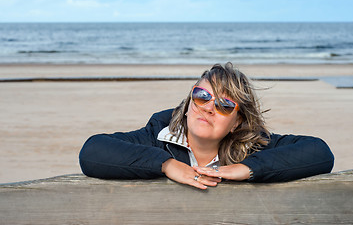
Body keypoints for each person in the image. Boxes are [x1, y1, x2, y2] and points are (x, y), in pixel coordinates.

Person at [79, 62, 334, 190]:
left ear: (237, 122)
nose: (209, 107)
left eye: (225, 105)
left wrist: (247, 168)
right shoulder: (158, 133)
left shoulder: (254, 144)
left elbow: (319, 152)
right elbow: (93, 151)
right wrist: (167, 165)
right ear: (190, 99)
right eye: (202, 95)